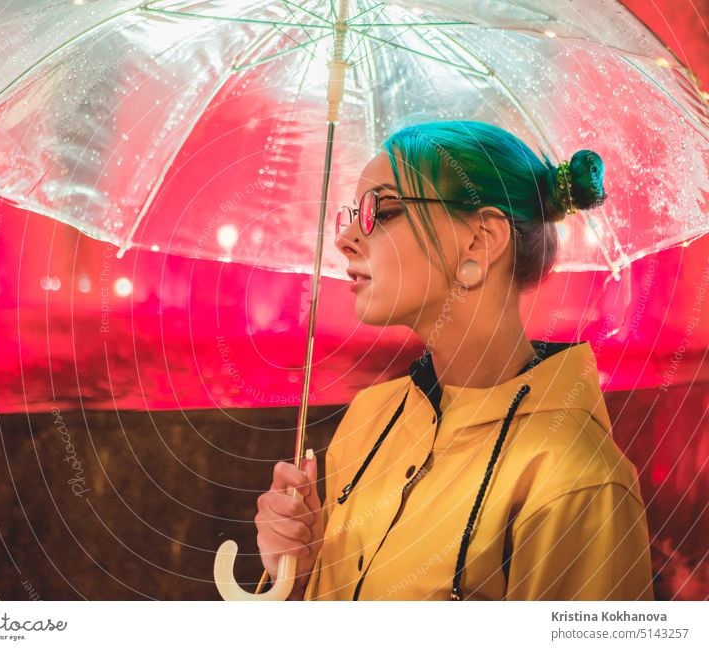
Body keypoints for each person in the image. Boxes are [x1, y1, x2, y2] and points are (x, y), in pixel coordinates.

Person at [254, 120, 654, 601]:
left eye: (377, 212)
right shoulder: (369, 418)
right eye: (351, 214)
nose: (344, 239)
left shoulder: (579, 480)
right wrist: (300, 576)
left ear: (480, 241)